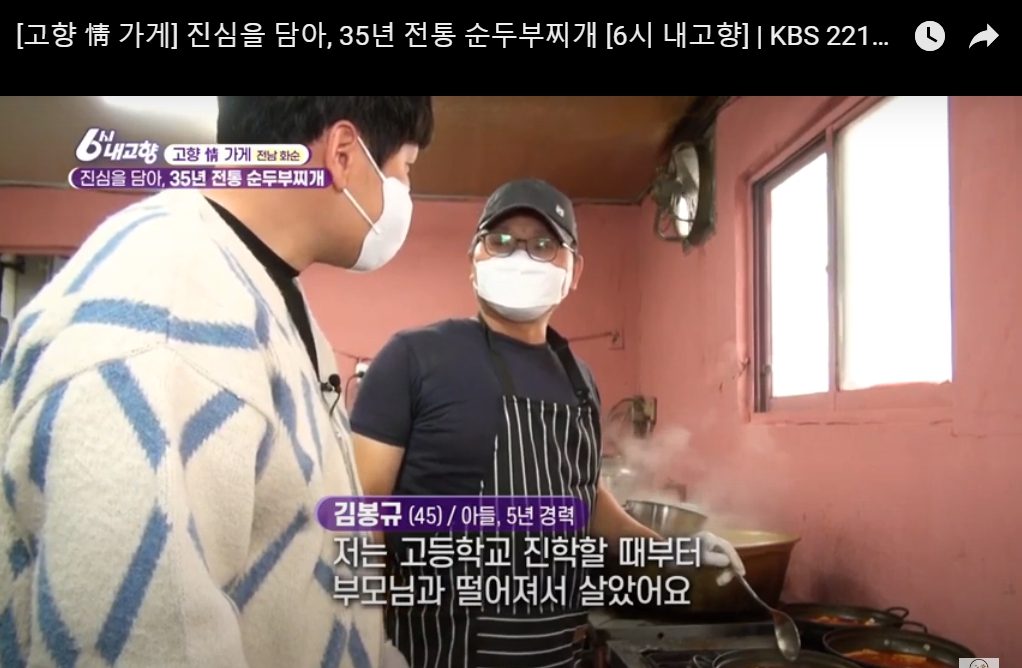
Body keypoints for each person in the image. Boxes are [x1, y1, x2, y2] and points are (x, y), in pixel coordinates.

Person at [0, 96, 432, 668]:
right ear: (344, 154)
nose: (405, 191)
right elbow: (138, 642)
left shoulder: (261, 292)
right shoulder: (161, 317)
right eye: (406, 168)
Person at [350, 178, 746, 668]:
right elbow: (361, 509)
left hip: (555, 654)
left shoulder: (580, 380)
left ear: (574, 271)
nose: (520, 256)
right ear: (473, 261)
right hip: (434, 653)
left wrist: (672, 553)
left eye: (543, 245)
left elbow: (586, 501)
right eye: (501, 241)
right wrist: (366, 635)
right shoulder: (412, 358)